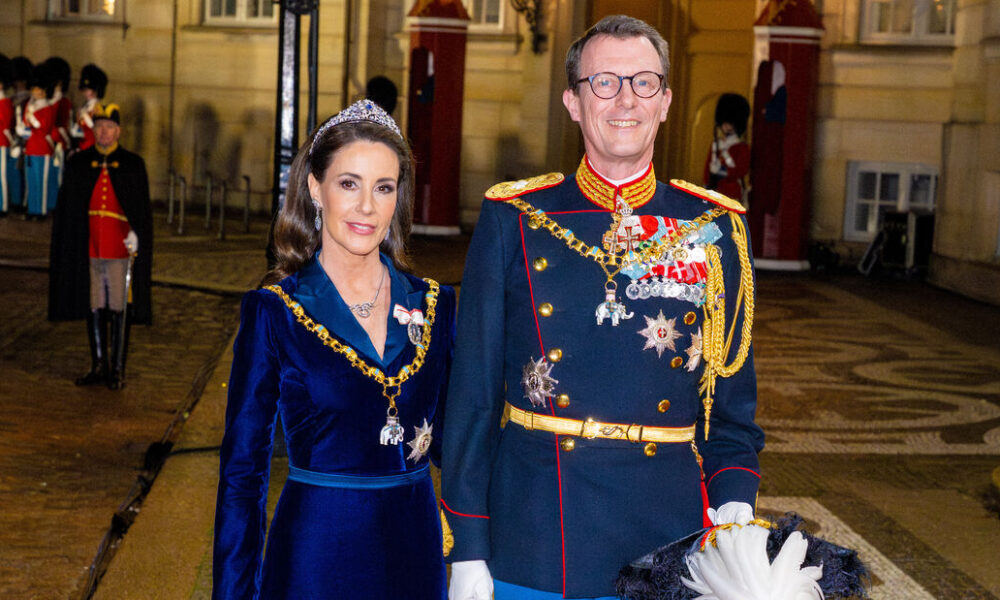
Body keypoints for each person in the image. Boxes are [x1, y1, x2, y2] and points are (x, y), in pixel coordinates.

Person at [442, 15, 764, 600]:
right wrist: (467, 547)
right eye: (604, 82)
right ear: (573, 101)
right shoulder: (516, 218)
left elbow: (730, 406)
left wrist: (734, 504)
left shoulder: (714, 229)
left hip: (666, 537)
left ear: (665, 102)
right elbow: (473, 397)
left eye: (643, 82)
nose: (625, 99)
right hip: (536, 535)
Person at [213, 100, 455, 600]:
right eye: (349, 184)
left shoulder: (435, 305)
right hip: (315, 560)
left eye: (383, 187)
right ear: (314, 188)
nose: (367, 206)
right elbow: (242, 478)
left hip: (414, 558)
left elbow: (459, 448)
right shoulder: (276, 312)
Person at [48, 104, 153, 390]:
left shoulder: (132, 164)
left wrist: (136, 233)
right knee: (94, 305)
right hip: (90, 247)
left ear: (118, 131)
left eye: (109, 127)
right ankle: (98, 365)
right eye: (99, 127)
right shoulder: (80, 163)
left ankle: (116, 368)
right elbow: (70, 208)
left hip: (118, 248)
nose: (104, 132)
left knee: (118, 306)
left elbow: (140, 210)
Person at [18, 62, 56, 219]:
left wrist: (32, 117)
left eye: (38, 89)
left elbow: (43, 127)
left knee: (41, 182)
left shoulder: (47, 108)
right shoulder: (30, 105)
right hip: (30, 147)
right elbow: (26, 125)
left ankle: (40, 211)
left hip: (42, 148)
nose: (35, 91)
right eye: (34, 88)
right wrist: (22, 130)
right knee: (31, 181)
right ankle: (32, 209)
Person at [703, 93, 750, 203]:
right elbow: (707, 167)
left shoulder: (742, 147)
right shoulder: (716, 144)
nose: (728, 126)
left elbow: (741, 170)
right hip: (715, 189)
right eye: (726, 123)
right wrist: (706, 183)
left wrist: (723, 170)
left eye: (732, 124)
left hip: (732, 192)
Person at [72, 64, 108, 152]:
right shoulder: (84, 107)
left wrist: (84, 115)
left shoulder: (98, 108)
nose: (89, 93)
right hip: (82, 145)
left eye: (92, 90)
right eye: (86, 90)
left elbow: (93, 127)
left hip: (93, 146)